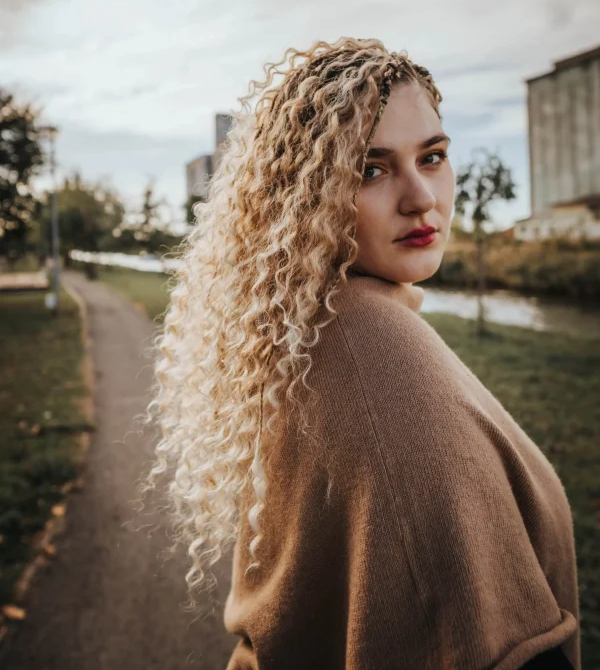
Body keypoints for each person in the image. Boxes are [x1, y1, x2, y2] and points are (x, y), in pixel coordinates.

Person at [140, 38, 580, 669]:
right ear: (305, 196)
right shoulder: (371, 347)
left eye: (432, 157)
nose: (421, 197)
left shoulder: (309, 324)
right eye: (370, 170)